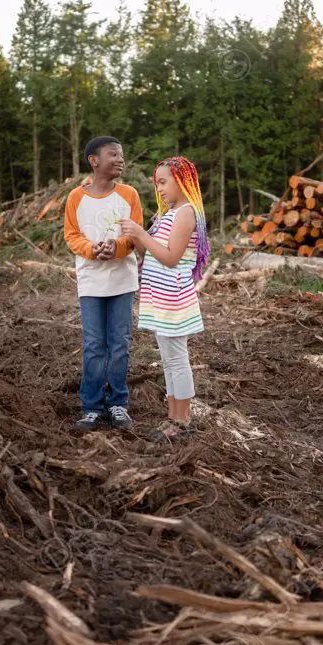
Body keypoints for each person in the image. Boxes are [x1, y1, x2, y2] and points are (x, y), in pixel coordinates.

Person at [119, 156, 209, 442]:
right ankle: (173, 417)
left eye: (163, 181)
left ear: (182, 180)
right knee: (169, 360)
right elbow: (153, 254)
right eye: (156, 183)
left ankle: (183, 420)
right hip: (160, 296)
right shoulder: (168, 213)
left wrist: (141, 235)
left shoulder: (186, 212)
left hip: (174, 297)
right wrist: (137, 239)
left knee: (177, 359)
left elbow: (171, 258)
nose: (158, 188)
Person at [63, 137, 143, 431]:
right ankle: (92, 407)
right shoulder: (75, 198)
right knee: (94, 345)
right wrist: (91, 249)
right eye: (113, 154)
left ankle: (118, 403)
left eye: (122, 155)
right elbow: (71, 235)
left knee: (119, 344)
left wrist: (117, 246)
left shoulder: (129, 194)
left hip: (122, 281)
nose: (120, 159)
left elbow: (135, 235)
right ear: (94, 160)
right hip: (91, 283)